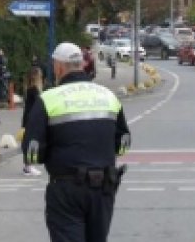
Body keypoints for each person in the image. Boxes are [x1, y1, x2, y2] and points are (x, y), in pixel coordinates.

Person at [22, 42, 131, 242]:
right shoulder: (108, 96)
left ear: (59, 67)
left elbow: (32, 152)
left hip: (66, 188)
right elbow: (124, 142)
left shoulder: (48, 99)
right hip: (103, 187)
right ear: (82, 64)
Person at [20, 67, 44, 176]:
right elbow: (36, 106)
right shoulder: (34, 90)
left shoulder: (29, 88)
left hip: (28, 118)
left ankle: (28, 165)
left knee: (30, 142)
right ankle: (29, 166)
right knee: (31, 143)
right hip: (32, 118)